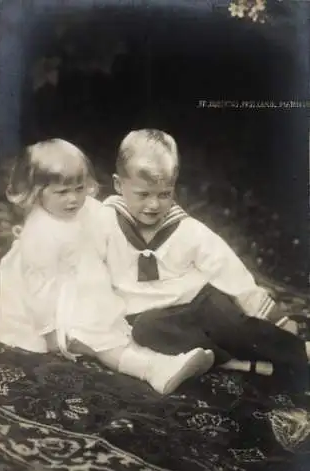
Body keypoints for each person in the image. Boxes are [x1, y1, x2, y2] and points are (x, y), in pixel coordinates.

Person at [0, 138, 215, 395]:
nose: (73, 199)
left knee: (121, 318)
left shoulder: (85, 208)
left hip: (82, 280)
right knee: (94, 336)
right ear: (36, 192)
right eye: (62, 193)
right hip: (47, 302)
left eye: (79, 188)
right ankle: (152, 370)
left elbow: (107, 222)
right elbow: (39, 291)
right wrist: (51, 331)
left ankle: (177, 354)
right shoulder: (40, 234)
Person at [94, 128, 310, 390]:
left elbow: (227, 268)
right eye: (143, 194)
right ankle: (227, 361)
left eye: (164, 194)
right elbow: (86, 263)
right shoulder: (104, 223)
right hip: (154, 316)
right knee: (145, 332)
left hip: (201, 302)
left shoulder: (188, 230)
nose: (153, 205)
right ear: (119, 185)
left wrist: (273, 316)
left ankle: (298, 353)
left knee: (235, 329)